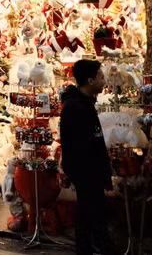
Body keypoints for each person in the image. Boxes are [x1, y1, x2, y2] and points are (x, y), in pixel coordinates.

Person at [60, 59, 116, 255]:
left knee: (85, 219)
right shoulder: (75, 108)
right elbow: (74, 146)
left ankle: (85, 250)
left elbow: (94, 140)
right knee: (95, 219)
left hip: (91, 174)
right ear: (91, 81)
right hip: (87, 174)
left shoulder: (85, 104)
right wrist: (90, 174)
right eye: (101, 77)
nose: (104, 80)